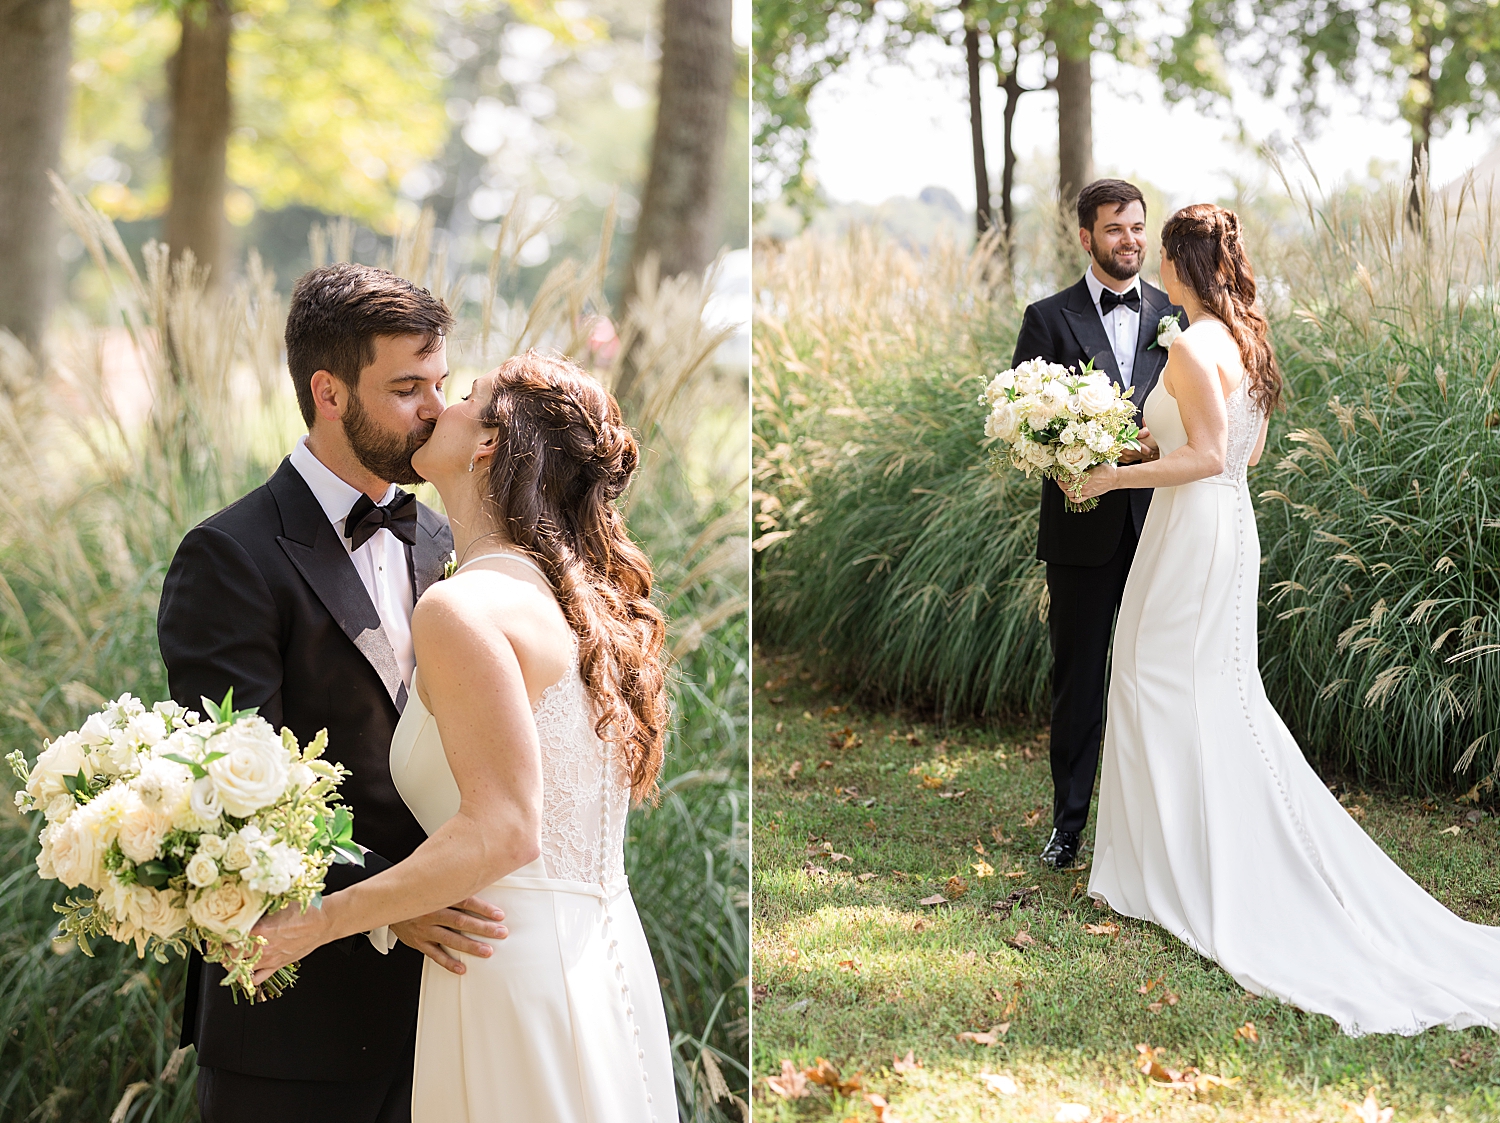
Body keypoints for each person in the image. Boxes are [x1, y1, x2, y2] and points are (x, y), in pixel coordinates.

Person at [1076, 203, 1500, 1034]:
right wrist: (1132, 452)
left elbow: (1199, 457)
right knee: (1201, 689)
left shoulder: (1193, 345)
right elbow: (1242, 454)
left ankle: (1173, 872)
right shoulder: (1243, 343)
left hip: (1191, 530)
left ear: (1177, 264)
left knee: (1162, 683)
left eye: (1163, 253)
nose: (1157, 266)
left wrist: (1108, 478)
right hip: (1224, 524)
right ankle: (1176, 858)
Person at [250, 351, 680, 1121]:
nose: (436, 404)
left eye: (463, 393)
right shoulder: (580, 607)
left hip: (503, 972)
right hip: (598, 959)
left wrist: (315, 921)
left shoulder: (464, 609)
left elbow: (506, 829)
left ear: (489, 442)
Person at [157, 263, 508, 1123]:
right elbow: (237, 792)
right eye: (404, 388)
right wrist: (398, 899)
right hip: (291, 1018)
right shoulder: (230, 555)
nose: (433, 407)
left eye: (439, 383)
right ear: (329, 392)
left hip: (442, 1011)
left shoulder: (440, 535)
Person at [1008, 178, 1185, 870]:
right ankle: (1069, 825)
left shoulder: (1176, 315)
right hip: (1081, 531)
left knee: (1159, 676)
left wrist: (1144, 447)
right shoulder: (1047, 317)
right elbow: (1030, 425)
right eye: (1116, 229)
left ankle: (1155, 829)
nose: (1131, 241)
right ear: (1087, 237)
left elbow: (1190, 419)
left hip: (1161, 524)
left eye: (1138, 227)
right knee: (1078, 679)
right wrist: (1085, 447)